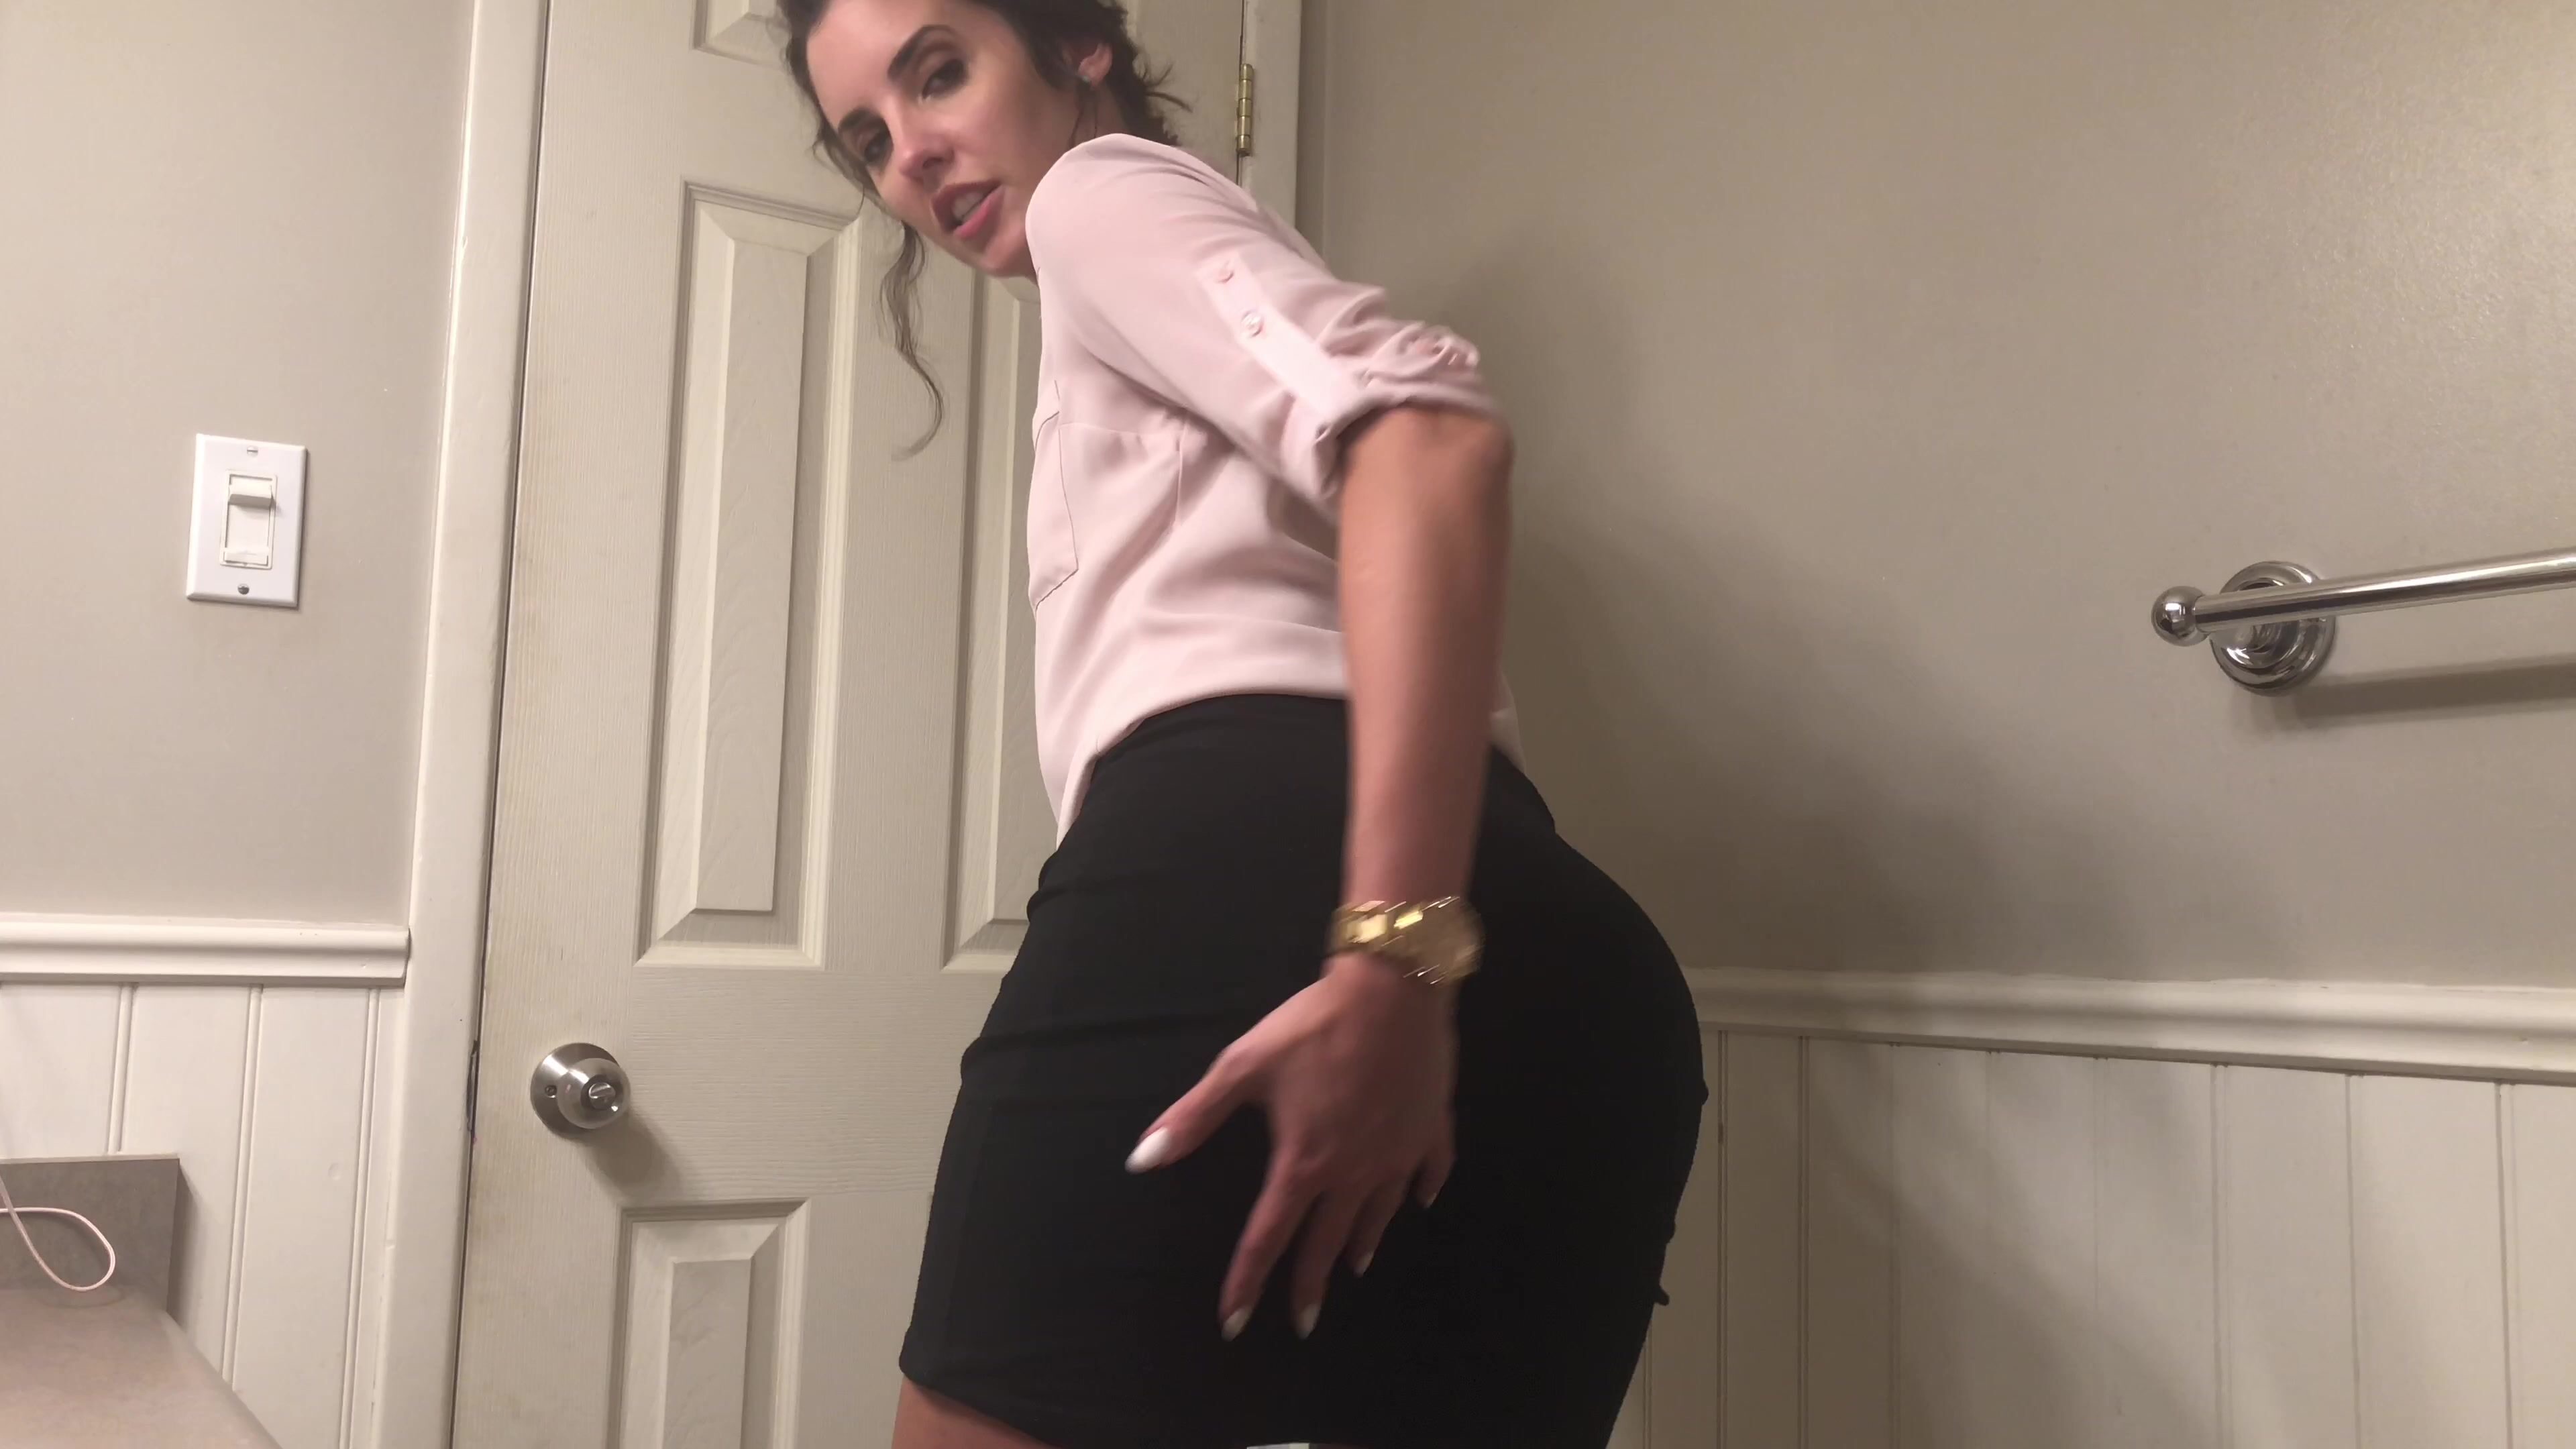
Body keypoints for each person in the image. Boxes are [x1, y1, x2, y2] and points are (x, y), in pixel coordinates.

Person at [780, 2, 1706, 1444]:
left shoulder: (1098, 197)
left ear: (1078, 42)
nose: (911, 154)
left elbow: (1431, 439)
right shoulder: (1154, 304)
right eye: (867, 139)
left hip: (1254, 902)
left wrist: (1394, 958)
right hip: (1573, 980)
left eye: (940, 74)